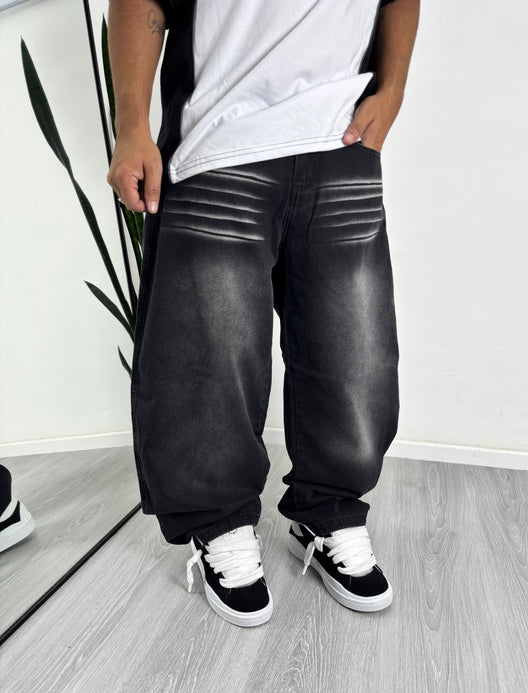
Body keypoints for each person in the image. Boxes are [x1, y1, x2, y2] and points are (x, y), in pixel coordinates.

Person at [107, 0, 420, 628]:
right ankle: (219, 524)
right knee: (207, 356)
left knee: (355, 353)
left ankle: (328, 512)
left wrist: (393, 90)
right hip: (218, 137)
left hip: (341, 137)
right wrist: (132, 125)